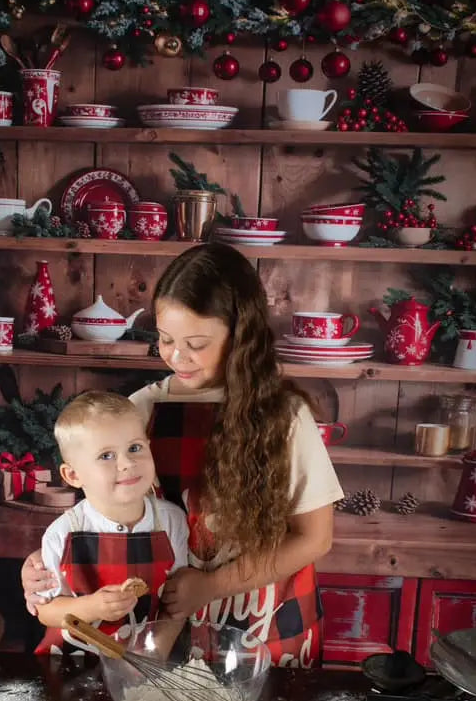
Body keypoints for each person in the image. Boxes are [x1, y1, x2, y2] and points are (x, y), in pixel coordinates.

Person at [23, 243, 343, 666]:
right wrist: (42, 566)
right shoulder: (140, 411)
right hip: (164, 632)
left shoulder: (285, 416)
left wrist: (212, 585)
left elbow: (314, 538)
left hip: (269, 629)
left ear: (240, 335)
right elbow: (101, 522)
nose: (176, 356)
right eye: (166, 339)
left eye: (196, 343)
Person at [31, 391, 189, 654]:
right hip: (77, 656)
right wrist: (91, 607)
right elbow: (46, 611)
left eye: (135, 448)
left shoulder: (171, 521)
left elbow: (177, 601)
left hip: (147, 655)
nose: (127, 463)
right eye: (107, 456)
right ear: (73, 474)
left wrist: (155, 654)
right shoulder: (63, 532)